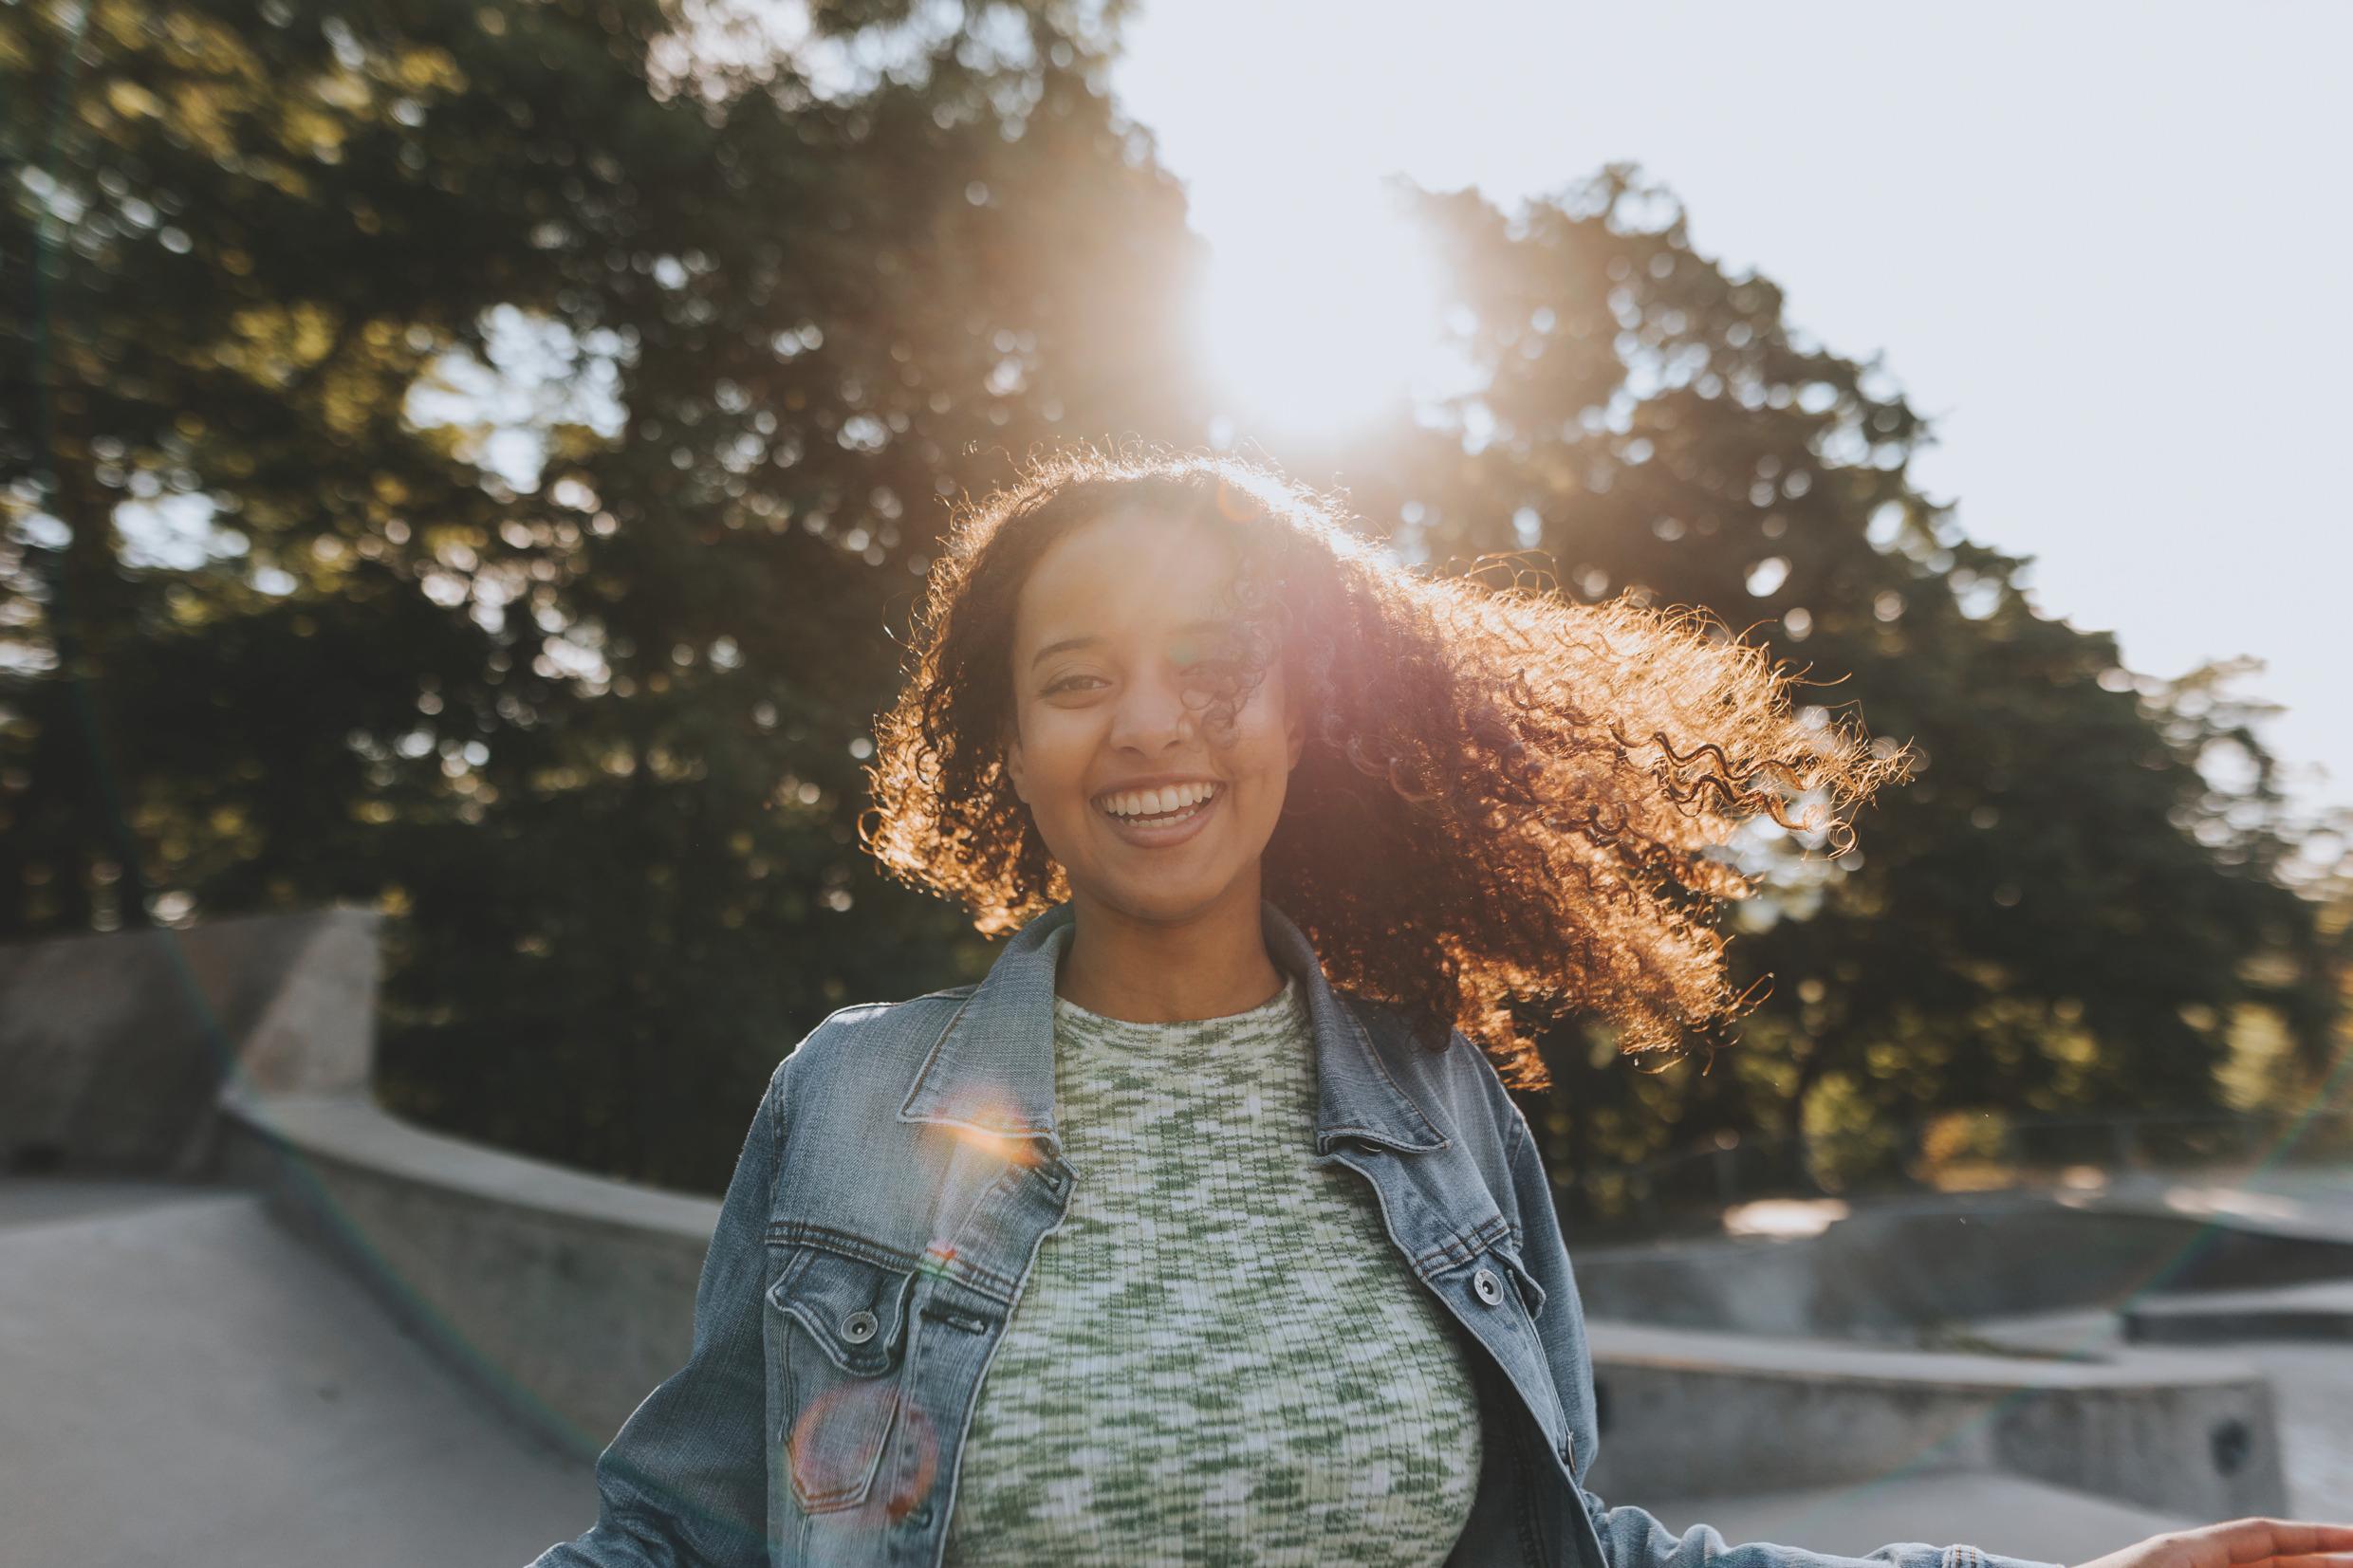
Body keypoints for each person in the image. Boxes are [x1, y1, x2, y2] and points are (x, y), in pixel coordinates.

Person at [529, 450, 2353, 1568]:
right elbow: (683, 1543)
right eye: (1077, 681)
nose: (1151, 726)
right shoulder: (851, 1102)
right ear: (1008, 745)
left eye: (1213, 668)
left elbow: (1588, 1556)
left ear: (1297, 715)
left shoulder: (1441, 1110)